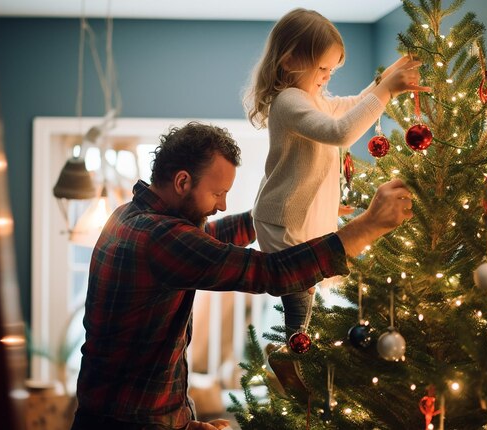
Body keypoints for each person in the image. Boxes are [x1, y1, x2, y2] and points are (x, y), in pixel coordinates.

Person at [71, 121, 414, 430]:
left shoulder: (128, 216)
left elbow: (209, 239)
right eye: (217, 193)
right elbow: (272, 272)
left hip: (120, 417)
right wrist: (367, 226)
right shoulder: (158, 237)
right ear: (182, 181)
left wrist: (289, 212)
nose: (221, 204)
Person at [244, 8, 430, 342]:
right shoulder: (289, 101)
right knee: (301, 291)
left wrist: (383, 80)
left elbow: (353, 106)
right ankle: (293, 351)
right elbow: (340, 132)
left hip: (301, 214)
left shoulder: (312, 98)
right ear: (289, 61)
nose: (328, 76)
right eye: (322, 68)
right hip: (282, 220)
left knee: (307, 289)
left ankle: (295, 350)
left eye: (331, 69)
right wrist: (385, 90)